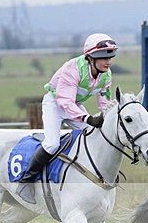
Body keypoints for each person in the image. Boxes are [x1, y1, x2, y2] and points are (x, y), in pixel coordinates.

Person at [16, 33, 117, 204]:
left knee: (93, 136)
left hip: (74, 105)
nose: (108, 62)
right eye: (103, 58)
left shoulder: (106, 75)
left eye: (110, 57)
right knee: (52, 144)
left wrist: (108, 117)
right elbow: (65, 102)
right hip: (55, 104)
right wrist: (88, 118)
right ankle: (26, 181)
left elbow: (104, 103)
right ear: (90, 57)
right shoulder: (73, 68)